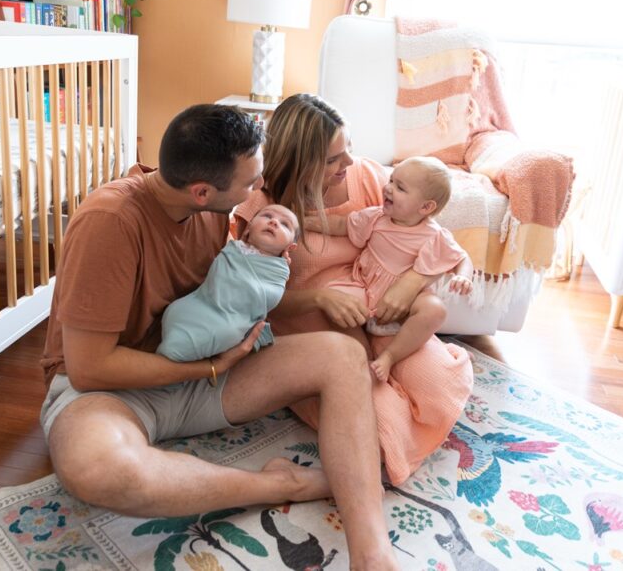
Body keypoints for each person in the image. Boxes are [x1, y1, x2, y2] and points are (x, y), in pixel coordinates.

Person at [40, 104, 400, 569]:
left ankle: (373, 553)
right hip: (112, 392)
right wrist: (208, 368)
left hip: (204, 373)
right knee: (96, 470)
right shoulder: (110, 222)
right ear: (202, 191)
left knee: (343, 355)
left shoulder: (213, 207)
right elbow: (89, 369)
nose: (257, 193)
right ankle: (281, 485)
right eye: (251, 184)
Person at [234, 94, 474, 485]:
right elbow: (248, 298)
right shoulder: (265, 209)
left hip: (379, 314)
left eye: (349, 150)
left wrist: (412, 283)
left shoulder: (366, 177)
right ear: (300, 161)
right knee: (378, 426)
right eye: (332, 160)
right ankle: (381, 431)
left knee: (435, 385)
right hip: (312, 328)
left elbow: (423, 237)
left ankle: (402, 397)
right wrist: (320, 297)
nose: (348, 163)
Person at [306, 156, 474, 382]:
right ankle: (361, 352)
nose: (388, 188)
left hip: (407, 301)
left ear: (426, 207)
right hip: (366, 287)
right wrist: (306, 222)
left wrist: (464, 277)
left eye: (400, 187)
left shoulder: (434, 235)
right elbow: (341, 225)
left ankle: (390, 356)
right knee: (336, 301)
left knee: (435, 309)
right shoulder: (376, 217)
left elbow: (462, 258)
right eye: (391, 181)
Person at [156, 204, 298, 362]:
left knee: (228, 332)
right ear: (249, 228)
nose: (273, 222)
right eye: (266, 216)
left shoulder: (276, 273)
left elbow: (268, 297)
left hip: (229, 318)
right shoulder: (235, 248)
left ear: (290, 247)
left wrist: (248, 282)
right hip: (202, 300)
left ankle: (168, 361)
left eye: (285, 225)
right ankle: (169, 357)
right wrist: (236, 250)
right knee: (176, 309)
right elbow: (217, 273)